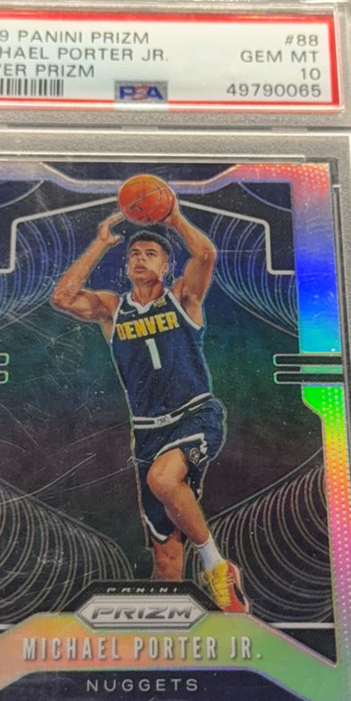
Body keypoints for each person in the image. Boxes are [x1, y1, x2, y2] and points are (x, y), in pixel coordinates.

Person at [50, 198, 248, 612]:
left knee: (162, 479)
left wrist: (174, 218)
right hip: (147, 431)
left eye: (150, 253)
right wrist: (100, 244)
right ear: (126, 266)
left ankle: (217, 566)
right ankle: (173, 632)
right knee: (166, 558)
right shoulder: (113, 309)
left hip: (195, 414)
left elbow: (205, 255)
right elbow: (63, 298)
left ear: (166, 265)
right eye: (134, 254)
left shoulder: (183, 297)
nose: (140, 258)